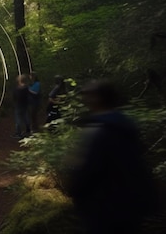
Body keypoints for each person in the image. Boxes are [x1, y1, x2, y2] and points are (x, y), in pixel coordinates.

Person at [66, 80, 157, 234]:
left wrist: (74, 190)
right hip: (131, 204)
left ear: (98, 98)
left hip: (102, 208)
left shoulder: (96, 131)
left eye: (89, 94)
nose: (84, 97)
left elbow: (85, 172)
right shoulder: (127, 126)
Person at [12, 74, 30, 138]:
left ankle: (18, 133)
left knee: (18, 119)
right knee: (25, 117)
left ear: (19, 81)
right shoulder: (27, 88)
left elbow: (14, 97)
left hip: (18, 105)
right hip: (25, 105)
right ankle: (28, 131)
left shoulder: (17, 89)